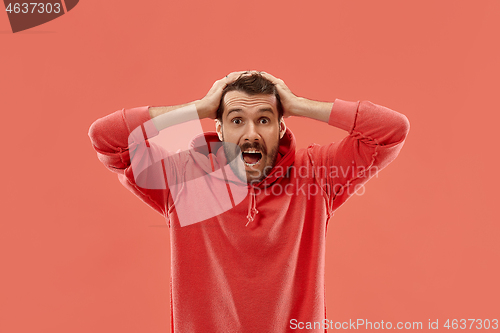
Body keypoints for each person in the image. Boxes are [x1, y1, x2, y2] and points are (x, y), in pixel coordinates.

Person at [88, 70, 410, 332]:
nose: (251, 133)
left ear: (281, 128)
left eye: (265, 120)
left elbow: (391, 131)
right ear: (220, 128)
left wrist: (298, 104)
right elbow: (108, 140)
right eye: (237, 120)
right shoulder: (184, 178)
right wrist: (198, 108)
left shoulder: (317, 174)